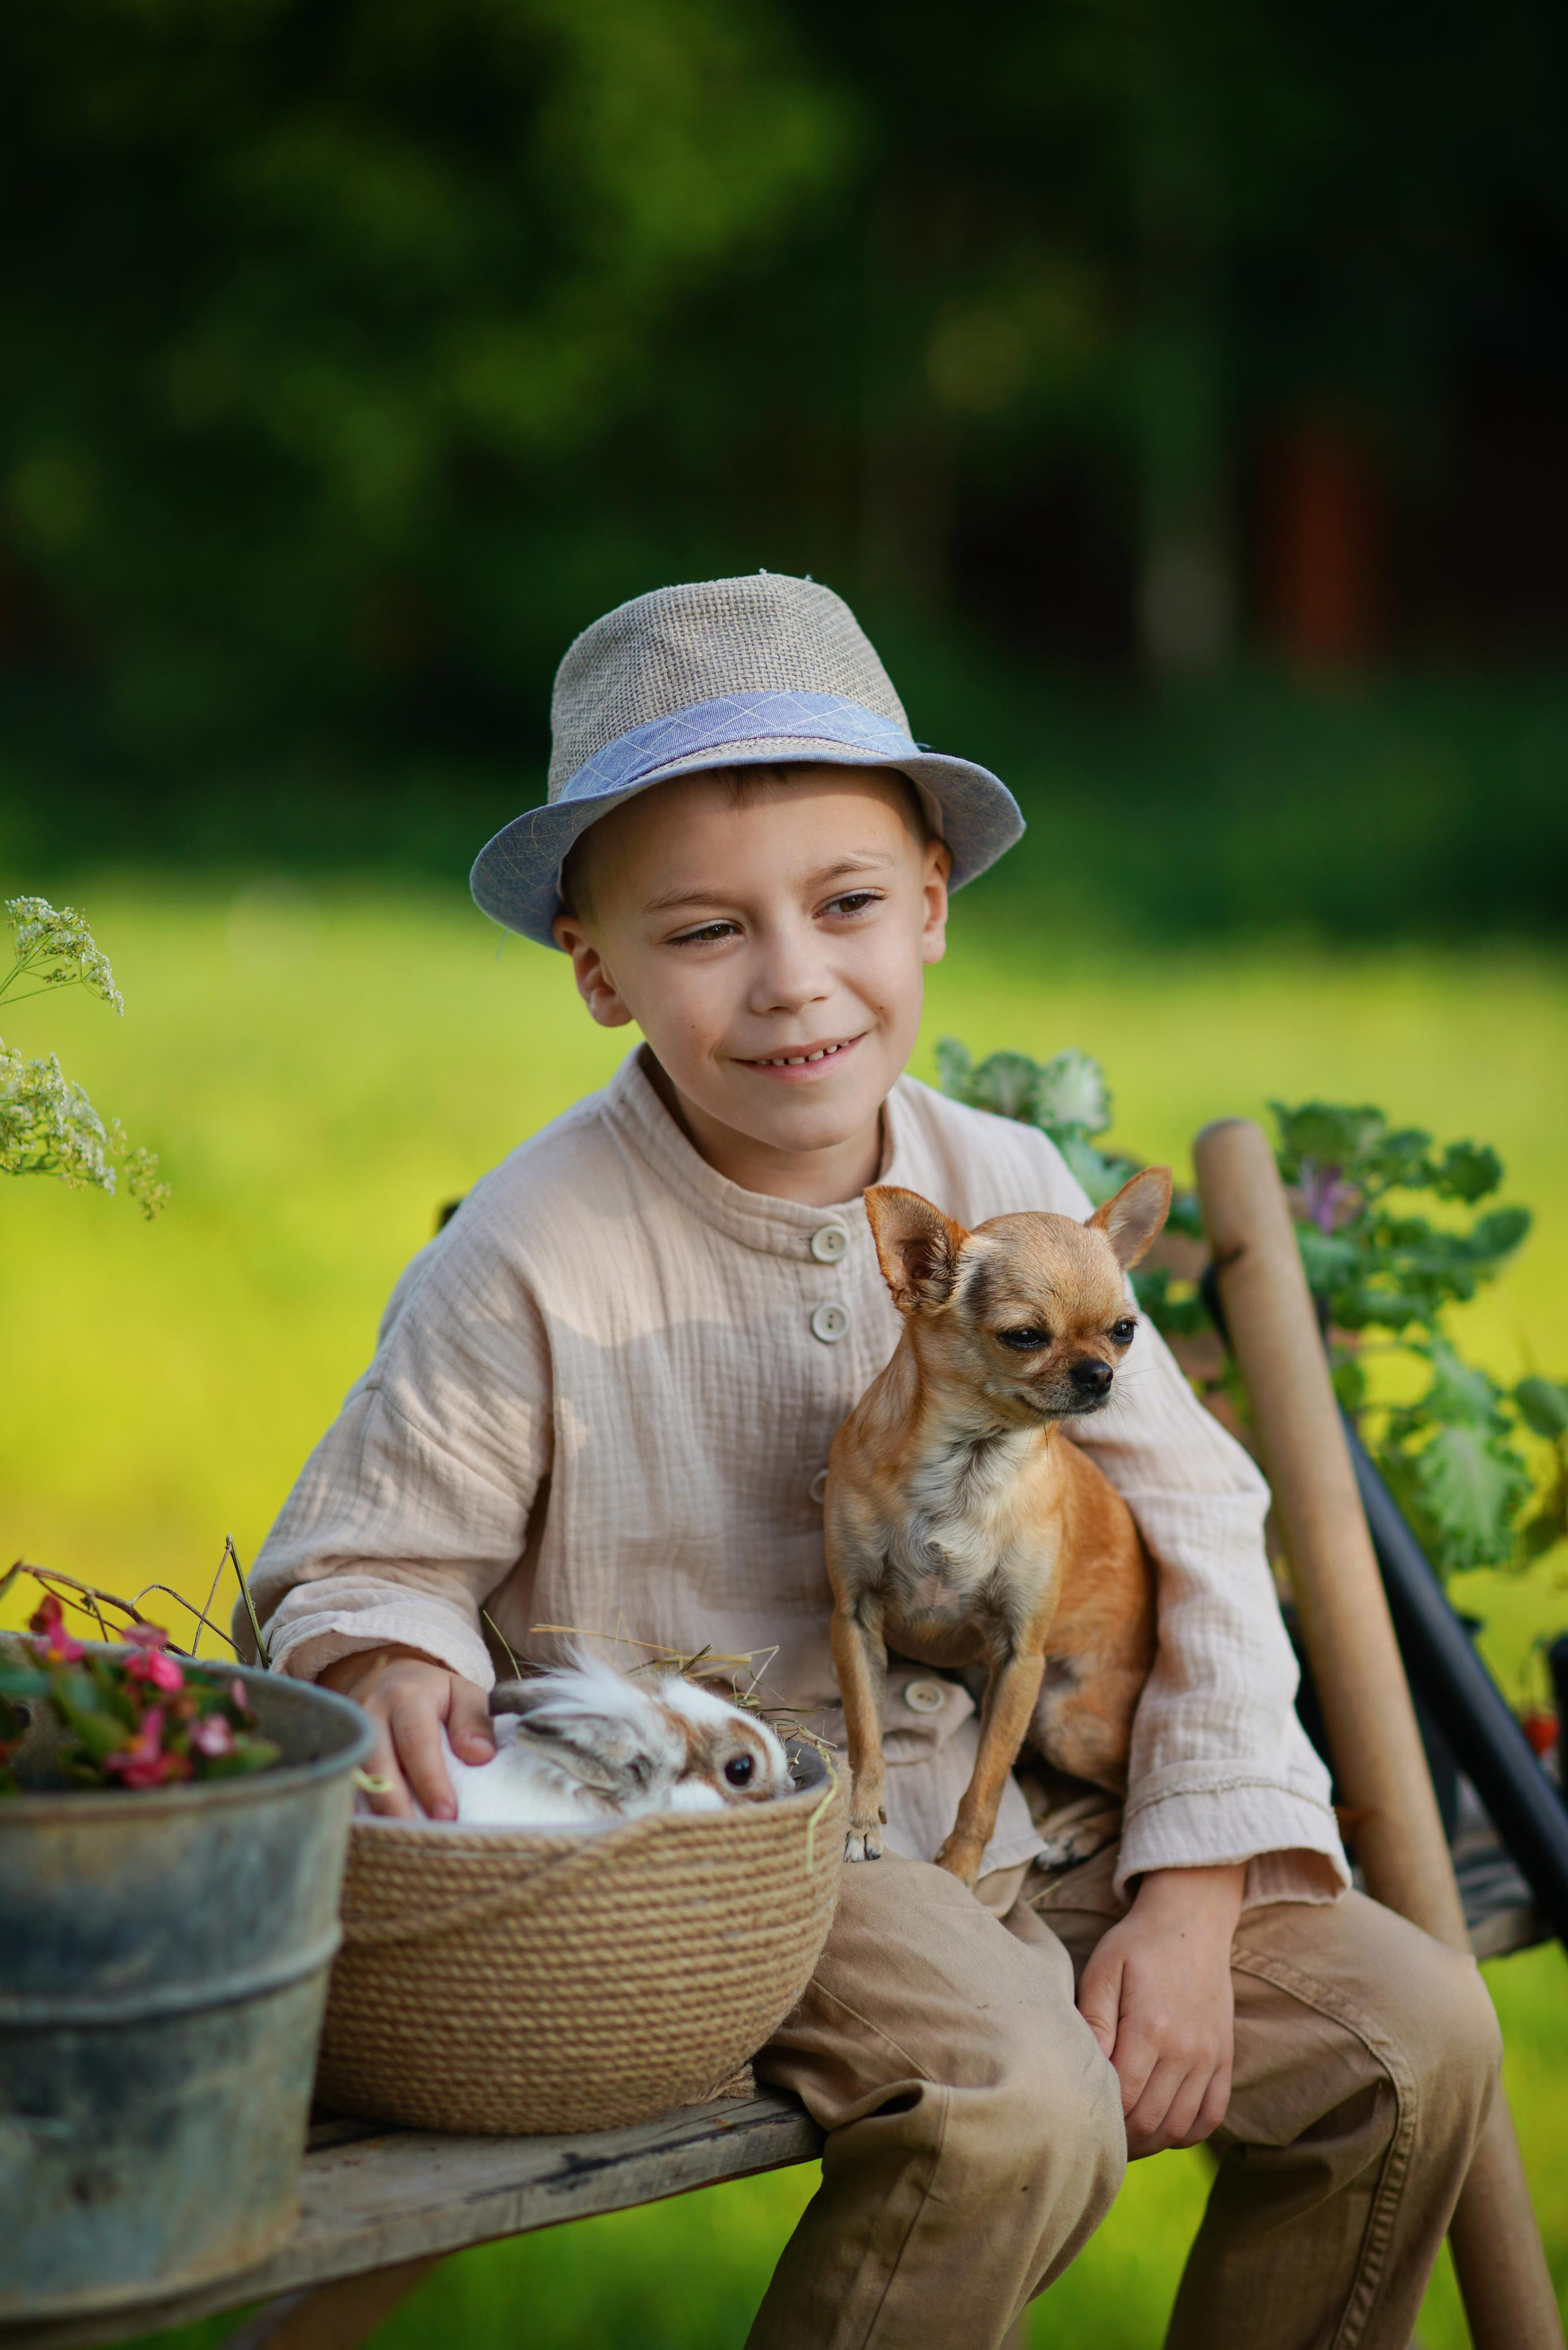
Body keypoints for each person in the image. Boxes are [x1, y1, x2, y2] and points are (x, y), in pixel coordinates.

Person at [247, 573, 1500, 2350]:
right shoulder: (534, 1252)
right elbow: (373, 1558)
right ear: (597, 969)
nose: (792, 982)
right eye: (704, 934)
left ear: (928, 909)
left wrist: (1196, 1892)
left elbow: (1206, 1509)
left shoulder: (1001, 1182)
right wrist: (386, 1662)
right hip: (763, 1859)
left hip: (1055, 1819)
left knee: (1413, 2036)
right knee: (1019, 2104)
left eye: (845, 905)